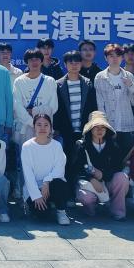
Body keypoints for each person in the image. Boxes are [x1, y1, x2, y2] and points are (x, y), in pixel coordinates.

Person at [54, 50, 98, 199]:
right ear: (65, 64)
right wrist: (57, 129)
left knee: (82, 163)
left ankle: (84, 195)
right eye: (70, 62)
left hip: (85, 131)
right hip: (65, 132)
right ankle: (68, 196)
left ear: (81, 64)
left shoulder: (88, 84)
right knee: (66, 163)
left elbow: (93, 108)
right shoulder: (58, 85)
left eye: (77, 62)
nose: (74, 65)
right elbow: (56, 110)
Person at [74, 112, 128, 220]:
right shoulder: (81, 146)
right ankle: (90, 209)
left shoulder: (113, 146)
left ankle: (117, 211)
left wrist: (103, 175)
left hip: (107, 181)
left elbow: (118, 167)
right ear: (90, 129)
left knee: (122, 177)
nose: (100, 130)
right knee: (86, 197)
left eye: (103, 127)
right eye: (96, 127)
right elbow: (75, 169)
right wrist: (91, 179)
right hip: (88, 184)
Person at [21, 114, 70, 225]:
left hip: (51, 184)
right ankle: (42, 205)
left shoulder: (57, 146)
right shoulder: (27, 146)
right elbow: (28, 174)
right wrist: (36, 196)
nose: (42, 128)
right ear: (34, 127)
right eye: (39, 125)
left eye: (46, 125)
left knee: (59, 183)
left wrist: (46, 181)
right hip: (34, 189)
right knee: (43, 215)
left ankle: (61, 211)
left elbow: (59, 169)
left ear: (51, 128)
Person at [94, 43, 134, 151]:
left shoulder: (129, 76)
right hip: (108, 125)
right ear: (106, 58)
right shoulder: (100, 77)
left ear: (122, 57)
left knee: (127, 156)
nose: (115, 59)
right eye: (111, 56)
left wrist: (130, 86)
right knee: (109, 155)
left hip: (126, 125)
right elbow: (100, 104)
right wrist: (103, 124)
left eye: (118, 55)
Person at [13, 48, 58, 147]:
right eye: (31, 60)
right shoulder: (19, 81)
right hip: (26, 128)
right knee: (26, 153)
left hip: (45, 127)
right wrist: (32, 123)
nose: (34, 62)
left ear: (41, 61)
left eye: (37, 59)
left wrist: (37, 117)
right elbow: (17, 106)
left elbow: (53, 106)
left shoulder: (50, 81)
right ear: (26, 62)